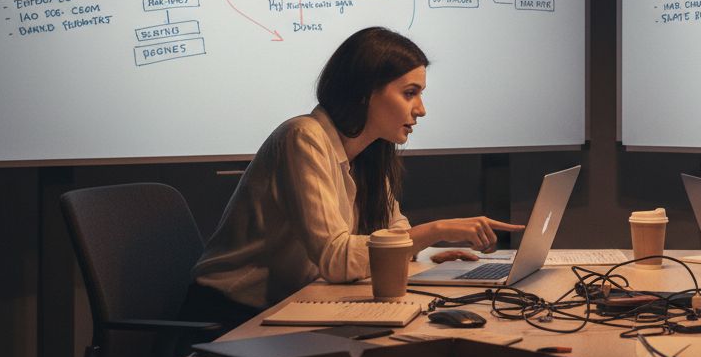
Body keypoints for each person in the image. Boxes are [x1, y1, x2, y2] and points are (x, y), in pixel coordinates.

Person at [185, 26, 523, 327]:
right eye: (410, 93)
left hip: (291, 302)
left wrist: (423, 253)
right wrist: (435, 231)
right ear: (364, 93)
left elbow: (393, 233)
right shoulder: (303, 137)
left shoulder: (369, 152)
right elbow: (337, 260)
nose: (421, 109)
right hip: (229, 314)